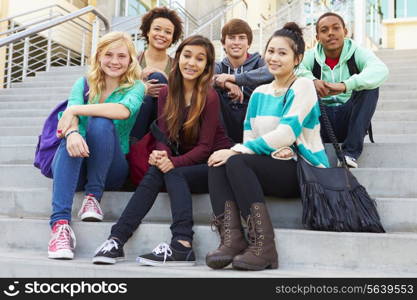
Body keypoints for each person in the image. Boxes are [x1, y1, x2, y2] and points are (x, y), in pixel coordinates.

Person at [93, 35, 232, 266]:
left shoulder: (209, 96)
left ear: (207, 66)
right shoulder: (167, 93)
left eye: (200, 59)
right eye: (187, 56)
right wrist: (161, 154)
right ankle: (117, 240)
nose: (191, 63)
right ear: (177, 59)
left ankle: (182, 243)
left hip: (214, 165)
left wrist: (173, 163)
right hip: (184, 162)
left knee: (171, 172)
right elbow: (163, 135)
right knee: (158, 169)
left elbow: (205, 148)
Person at [205, 23, 330, 271]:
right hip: (271, 164)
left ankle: (264, 247)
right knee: (218, 163)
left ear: (298, 59)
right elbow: (250, 137)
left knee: (235, 158)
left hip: (303, 170)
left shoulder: (303, 86)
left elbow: (287, 133)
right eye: (271, 51)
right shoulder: (260, 92)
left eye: (282, 53)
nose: (274, 57)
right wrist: (260, 150)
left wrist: (238, 150)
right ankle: (232, 239)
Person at [47, 32, 145, 260]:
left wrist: (75, 110)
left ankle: (93, 197)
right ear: (99, 56)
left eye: (122, 56)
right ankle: (60, 226)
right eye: (108, 54)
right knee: (69, 139)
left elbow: (122, 111)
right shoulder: (83, 84)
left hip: (112, 167)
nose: (114, 61)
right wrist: (71, 133)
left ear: (131, 60)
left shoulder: (136, 87)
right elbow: (65, 123)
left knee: (101, 122)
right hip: (77, 163)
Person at [297, 12, 389, 168]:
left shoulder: (356, 51)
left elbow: (380, 70)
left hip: (349, 122)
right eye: (324, 30)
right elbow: (293, 69)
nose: (331, 33)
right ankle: (305, 151)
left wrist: (346, 85)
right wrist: (312, 81)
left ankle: (349, 153)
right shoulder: (311, 56)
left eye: (336, 28)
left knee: (370, 88)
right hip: (320, 122)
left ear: (345, 32)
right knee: (300, 87)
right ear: (318, 37)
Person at [214, 18, 274, 143]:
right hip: (226, 120)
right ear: (224, 43)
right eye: (231, 38)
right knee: (210, 93)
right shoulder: (219, 66)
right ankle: (222, 144)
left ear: (249, 44)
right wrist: (226, 84)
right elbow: (204, 78)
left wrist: (235, 78)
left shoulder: (259, 61)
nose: (236, 42)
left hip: (255, 117)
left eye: (241, 38)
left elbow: (271, 71)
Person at [130, 6, 183, 141]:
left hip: (166, 120)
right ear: (147, 31)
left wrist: (166, 78)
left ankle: (163, 144)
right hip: (135, 119)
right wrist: (140, 86)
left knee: (158, 77)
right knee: (146, 98)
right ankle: (136, 146)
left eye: (168, 32)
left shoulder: (178, 66)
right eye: (157, 29)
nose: (162, 35)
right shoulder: (132, 62)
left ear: (173, 37)